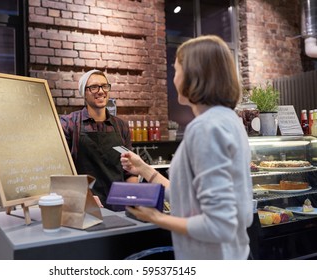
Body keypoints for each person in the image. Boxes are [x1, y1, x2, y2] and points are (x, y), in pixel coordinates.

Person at [120, 35, 253, 260]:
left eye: (176, 70)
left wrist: (156, 218)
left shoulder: (206, 128)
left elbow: (219, 225)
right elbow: (186, 196)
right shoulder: (228, 120)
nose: (174, 79)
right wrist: (144, 169)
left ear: (194, 75)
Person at [60, 69, 138, 210]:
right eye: (94, 87)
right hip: (85, 205)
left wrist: (133, 198)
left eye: (104, 86)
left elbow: (129, 171)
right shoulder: (69, 123)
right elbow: (62, 171)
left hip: (119, 205)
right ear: (84, 93)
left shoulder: (121, 126)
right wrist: (84, 196)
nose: (101, 91)